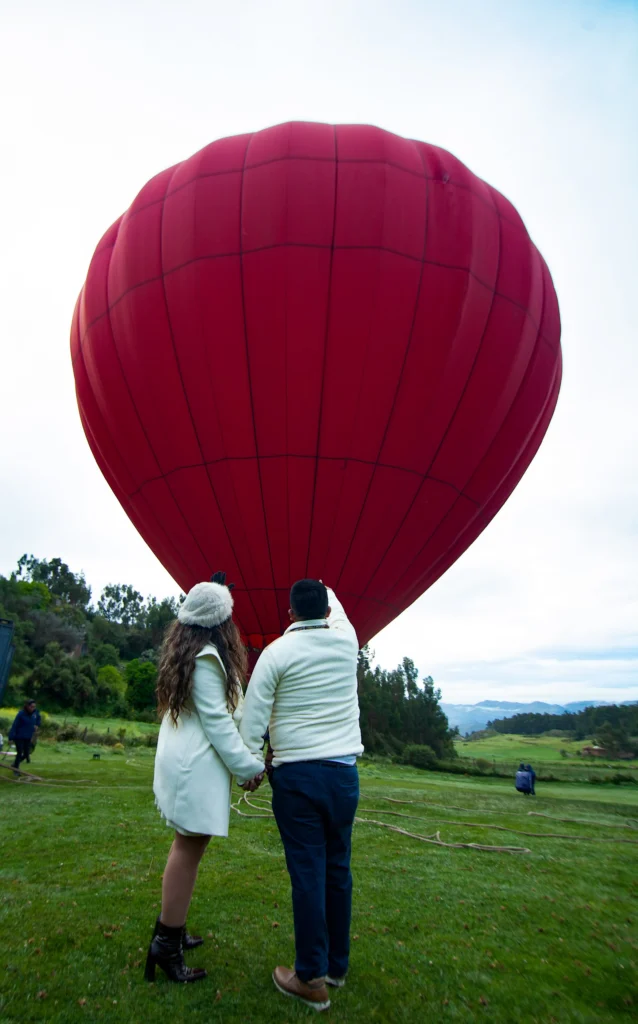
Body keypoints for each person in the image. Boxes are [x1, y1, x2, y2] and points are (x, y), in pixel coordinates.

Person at [240, 579, 362, 1013]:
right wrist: (329, 586)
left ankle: (310, 977)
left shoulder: (276, 653)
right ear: (328, 610)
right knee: (337, 868)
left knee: (308, 872)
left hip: (298, 778)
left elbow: (252, 718)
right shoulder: (347, 641)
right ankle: (336, 965)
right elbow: (341, 611)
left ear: (289, 614)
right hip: (345, 776)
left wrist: (248, 767)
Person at [146, 573, 265, 984]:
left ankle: (171, 930)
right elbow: (217, 722)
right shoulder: (209, 658)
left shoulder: (190, 652)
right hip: (194, 765)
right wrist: (250, 767)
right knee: (188, 849)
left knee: (189, 849)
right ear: (221, 621)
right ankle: (166, 942)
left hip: (185, 759)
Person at [9, 699, 41, 773]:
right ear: (27, 706)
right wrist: (11, 737)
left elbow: (38, 719)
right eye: (31, 707)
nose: (33, 708)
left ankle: (15, 764)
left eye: (34, 707)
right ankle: (16, 770)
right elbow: (14, 725)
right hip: (19, 736)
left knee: (27, 753)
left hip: (28, 736)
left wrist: (37, 724)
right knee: (19, 752)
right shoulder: (21, 714)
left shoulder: (35, 713)